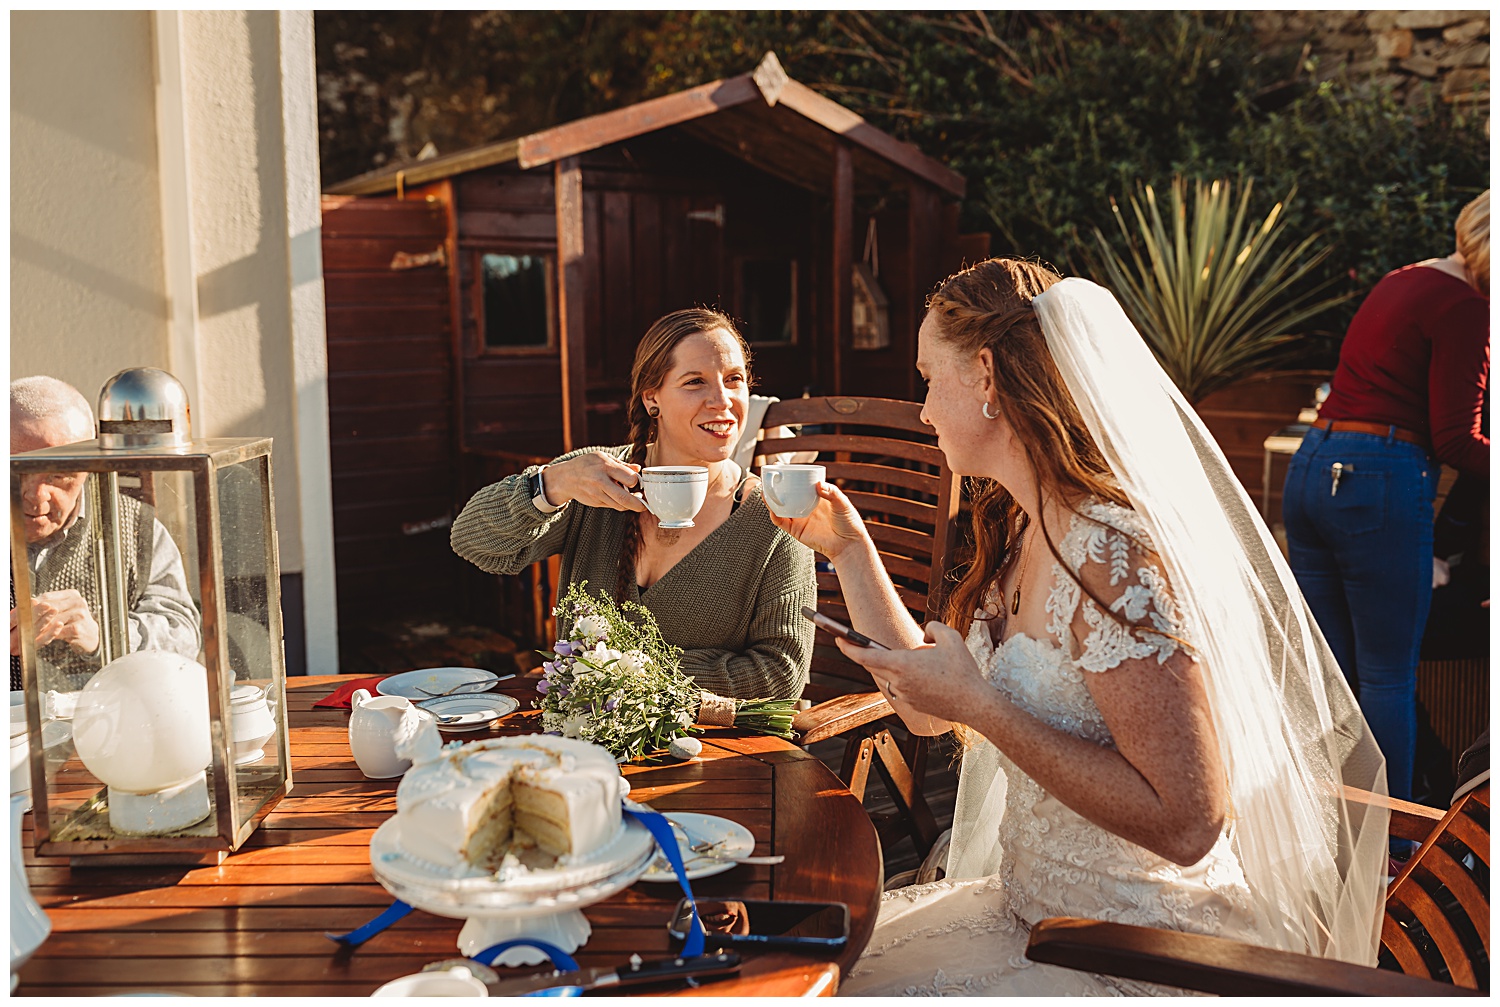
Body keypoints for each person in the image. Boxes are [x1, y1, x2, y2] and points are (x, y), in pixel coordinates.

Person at [770, 258, 1387, 995]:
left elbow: (1190, 824)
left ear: (988, 377)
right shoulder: (1026, 528)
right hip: (1032, 918)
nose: (924, 409)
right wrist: (849, 548)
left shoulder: (1112, 553)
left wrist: (983, 708)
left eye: (931, 377)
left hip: (1131, 948)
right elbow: (929, 708)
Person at [450, 308, 814, 700]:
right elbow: (474, 543)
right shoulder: (594, 479)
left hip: (716, 747)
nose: (722, 401)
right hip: (578, 742)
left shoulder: (774, 515)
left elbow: (781, 675)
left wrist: (622, 671)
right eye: (695, 382)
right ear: (652, 398)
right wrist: (552, 483)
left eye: (734, 380)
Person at [1282, 190, 1489, 811]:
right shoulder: (1467, 306)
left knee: (1335, 677)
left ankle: (1324, 824)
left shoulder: (1406, 278)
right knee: (1387, 675)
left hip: (1312, 471)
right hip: (1376, 482)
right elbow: (1457, 436)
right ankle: (1392, 847)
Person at [10, 376, 201, 691]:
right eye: (16, 471)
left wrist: (102, 632)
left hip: (107, 723)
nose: (36, 496)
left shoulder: (135, 527)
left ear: (88, 469)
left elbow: (184, 638)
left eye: (59, 475)